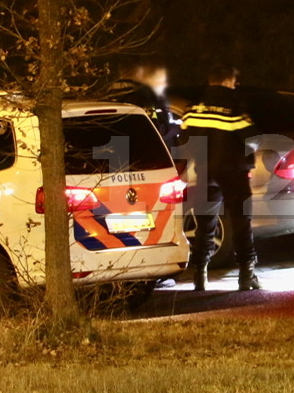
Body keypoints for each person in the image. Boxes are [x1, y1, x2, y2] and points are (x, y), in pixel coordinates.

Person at [179, 63, 260, 290]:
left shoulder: (192, 108)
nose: (235, 85)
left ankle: (199, 276)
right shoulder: (233, 107)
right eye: (234, 81)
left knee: (205, 224)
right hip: (233, 171)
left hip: (205, 171)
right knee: (241, 222)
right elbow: (253, 139)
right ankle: (247, 275)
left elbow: (184, 140)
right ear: (227, 81)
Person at [107, 58, 178, 145]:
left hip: (115, 147)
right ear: (138, 72)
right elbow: (158, 129)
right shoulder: (146, 95)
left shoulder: (106, 95)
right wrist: (173, 130)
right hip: (143, 148)